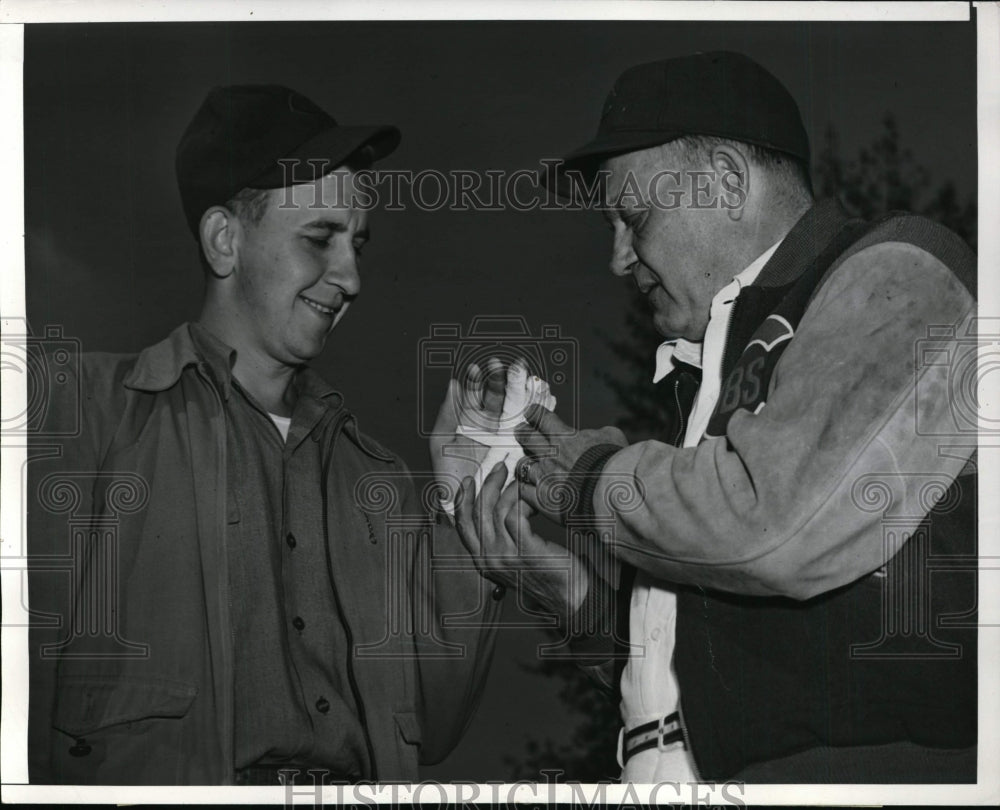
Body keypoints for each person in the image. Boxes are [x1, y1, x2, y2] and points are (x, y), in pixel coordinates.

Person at [452, 51, 977, 783]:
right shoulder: (717, 371)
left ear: (728, 182)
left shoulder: (898, 268)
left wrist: (596, 478)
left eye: (634, 219)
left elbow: (778, 527)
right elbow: (709, 677)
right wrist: (565, 591)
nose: (618, 257)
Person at [27, 84, 502, 785]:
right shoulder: (82, 414)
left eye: (358, 244)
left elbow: (433, 728)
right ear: (226, 239)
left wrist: (466, 512)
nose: (351, 277)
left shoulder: (376, 483)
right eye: (320, 239)